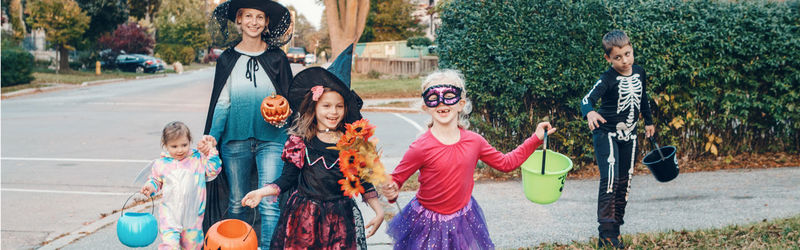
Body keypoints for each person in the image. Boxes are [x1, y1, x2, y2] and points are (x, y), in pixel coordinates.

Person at [382, 69, 556, 249]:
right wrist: (391, 189)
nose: (441, 102)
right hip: (428, 224)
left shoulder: (475, 141)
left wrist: (535, 139)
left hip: (463, 221)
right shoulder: (420, 147)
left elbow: (506, 163)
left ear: (461, 104)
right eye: (434, 97)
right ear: (426, 106)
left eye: (449, 96)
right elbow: (396, 179)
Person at [241, 44, 385, 249]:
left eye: (339, 106)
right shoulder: (301, 142)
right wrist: (262, 192)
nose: (333, 112)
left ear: (346, 109)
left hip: (340, 218)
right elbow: (287, 179)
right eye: (326, 106)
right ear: (314, 107)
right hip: (305, 217)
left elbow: (363, 181)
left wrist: (378, 210)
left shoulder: (352, 143)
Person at [202, 0, 294, 247]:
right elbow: (222, 104)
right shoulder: (228, 59)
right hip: (235, 140)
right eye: (248, 16)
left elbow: (290, 98)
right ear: (239, 20)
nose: (254, 22)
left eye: (260, 17)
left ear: (266, 23)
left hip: (273, 140)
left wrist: (286, 117)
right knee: (236, 201)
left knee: (269, 202)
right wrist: (212, 137)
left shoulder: (277, 58)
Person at [580, 29, 655, 249]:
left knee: (625, 181)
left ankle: (616, 232)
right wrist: (590, 112)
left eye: (628, 54)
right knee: (610, 180)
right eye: (618, 57)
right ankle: (605, 235)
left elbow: (642, 98)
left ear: (632, 50)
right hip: (607, 134)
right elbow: (587, 99)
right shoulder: (608, 79)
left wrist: (649, 122)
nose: (625, 61)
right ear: (608, 58)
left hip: (630, 135)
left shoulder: (639, 72)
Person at [140, 121, 222, 250]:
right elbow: (156, 180)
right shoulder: (161, 164)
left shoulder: (197, 159)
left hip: (193, 218)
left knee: (192, 247)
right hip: (169, 216)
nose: (180, 150)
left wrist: (211, 151)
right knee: (169, 246)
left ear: (190, 141)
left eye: (184, 145)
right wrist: (150, 186)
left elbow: (213, 169)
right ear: (165, 145)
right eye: (174, 146)